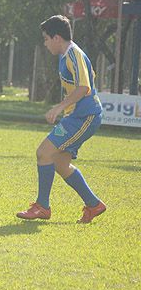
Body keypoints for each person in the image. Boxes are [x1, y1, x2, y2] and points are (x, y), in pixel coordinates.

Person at [16, 15, 105, 224]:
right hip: (77, 116)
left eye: (46, 39)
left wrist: (60, 107)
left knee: (43, 152)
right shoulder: (66, 55)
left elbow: (85, 87)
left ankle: (42, 207)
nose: (45, 43)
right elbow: (89, 77)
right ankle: (94, 205)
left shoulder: (74, 54)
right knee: (60, 163)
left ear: (57, 38)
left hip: (84, 117)